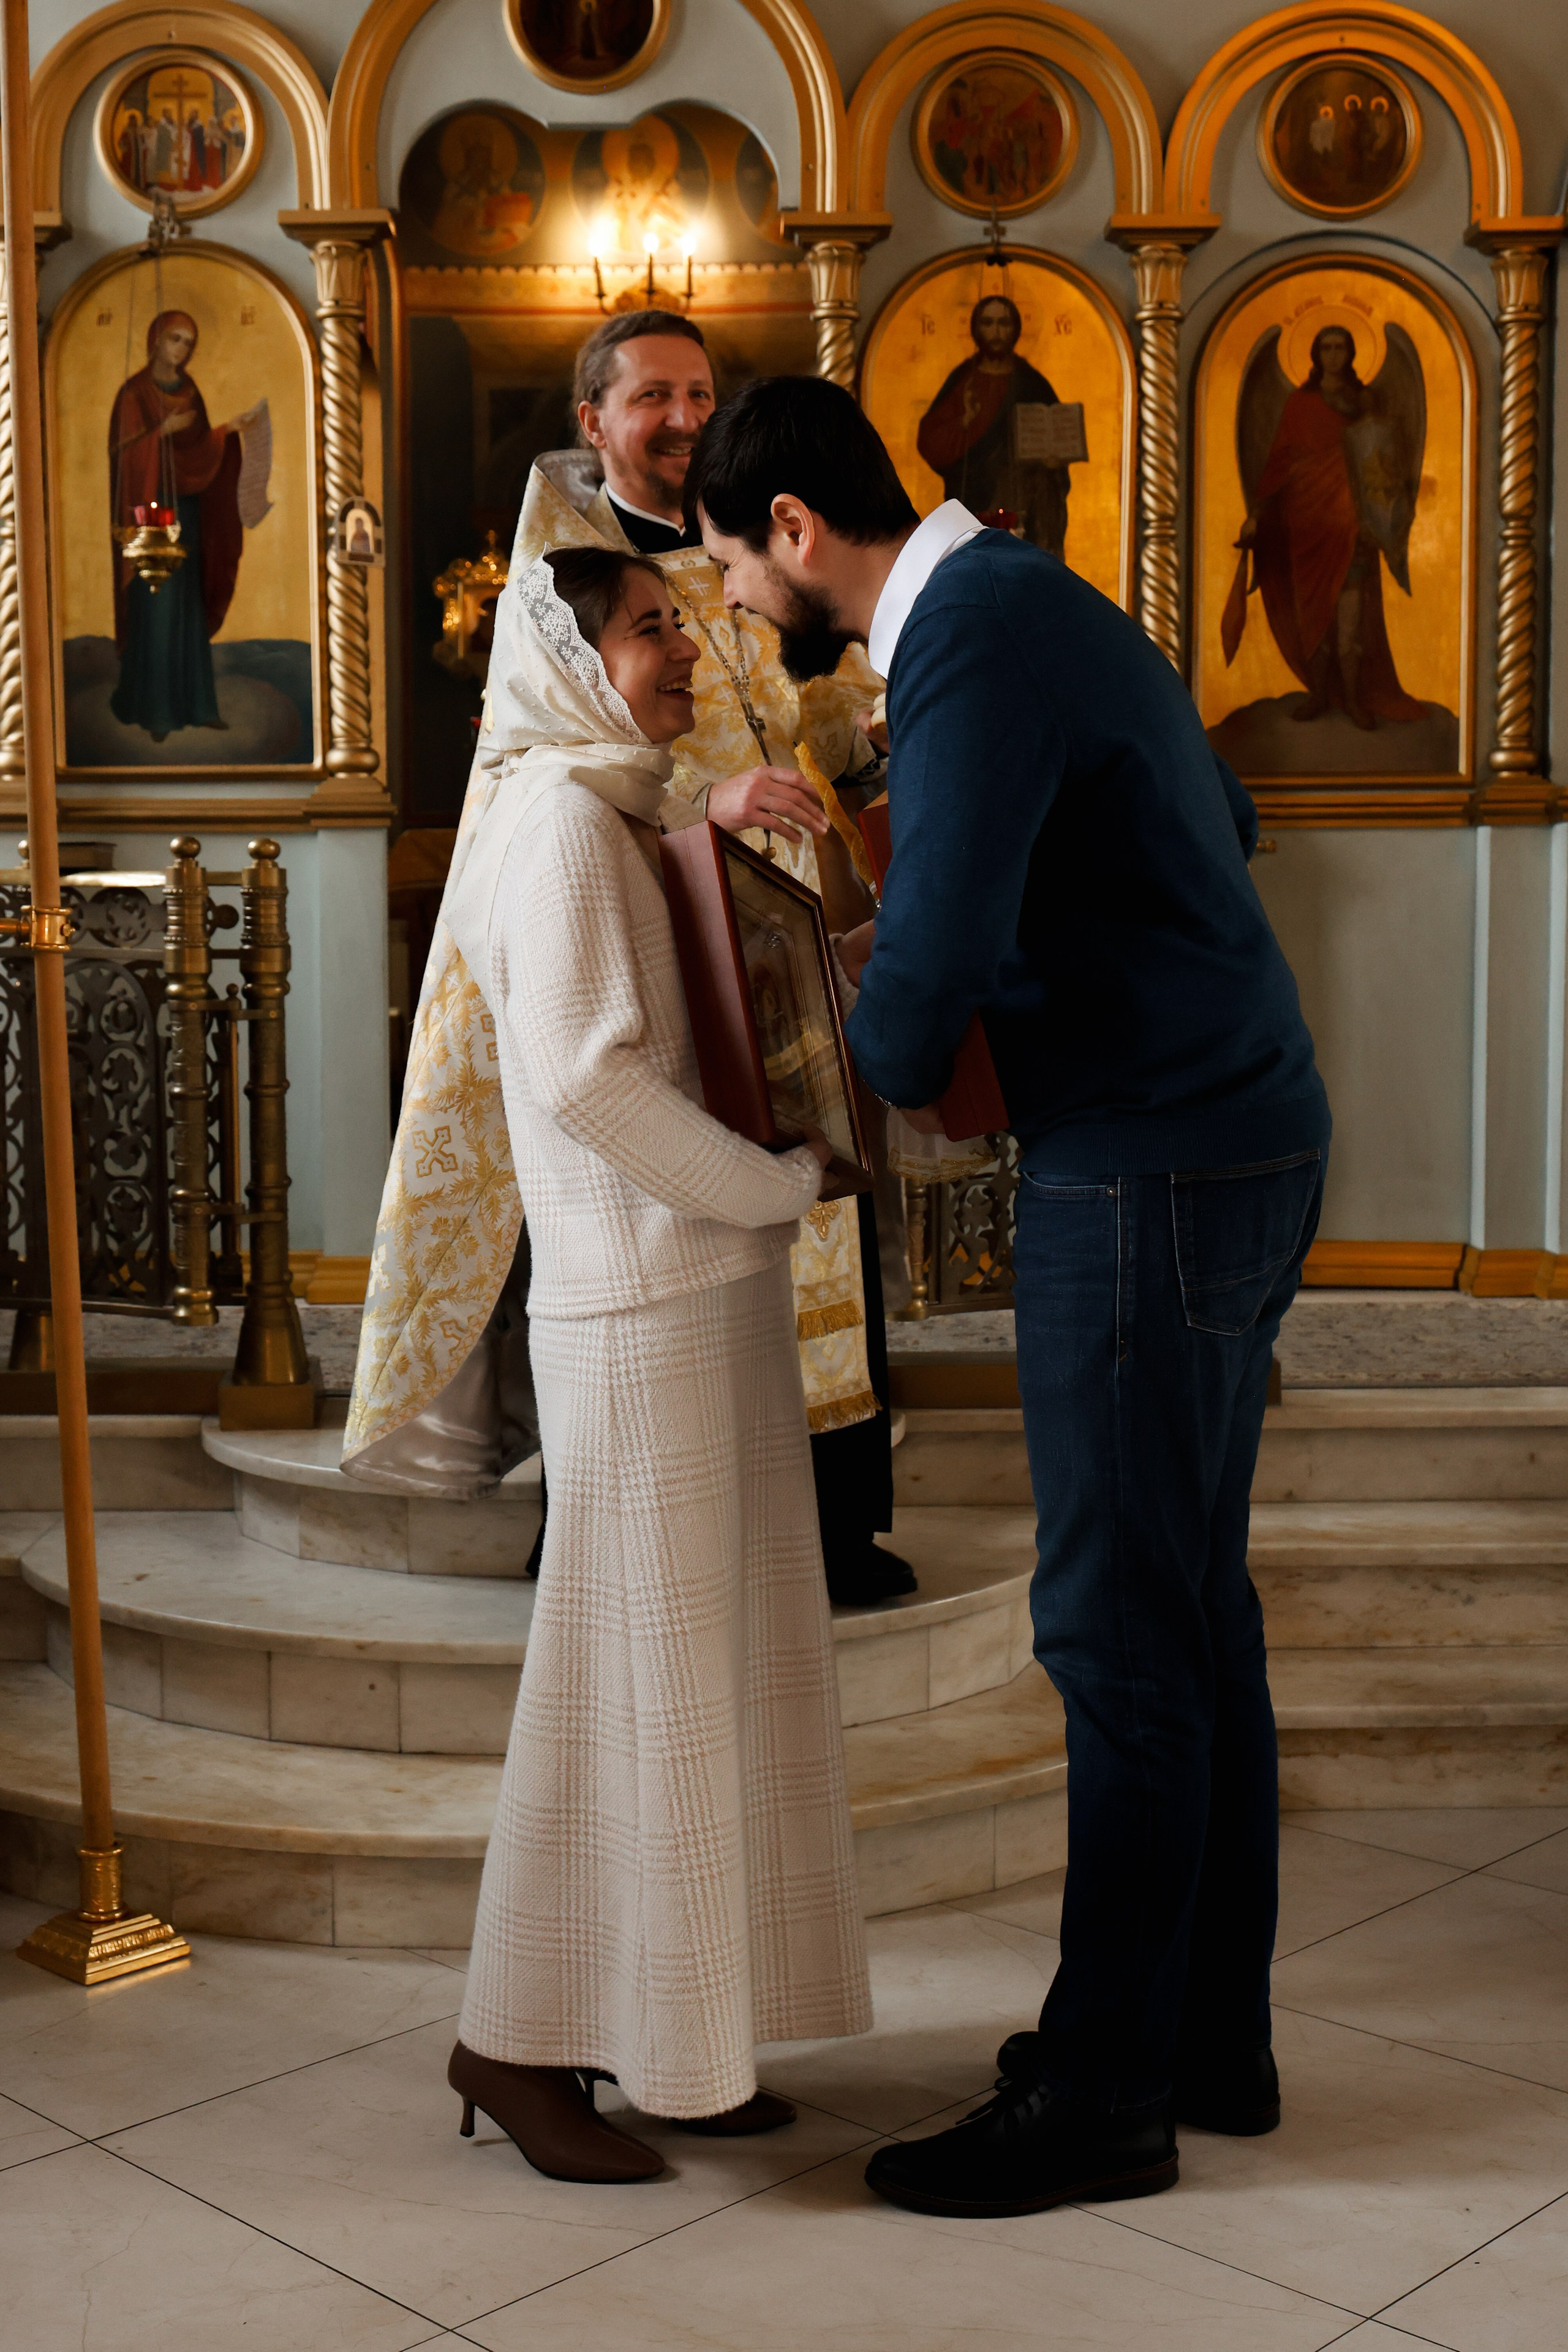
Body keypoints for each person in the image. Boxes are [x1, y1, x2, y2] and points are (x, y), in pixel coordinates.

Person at [688, 377, 1329, 2220]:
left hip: (1142, 1160)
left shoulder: (962, 632)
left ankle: (1107, 2093)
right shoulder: (1035, 592)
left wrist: (843, 1000)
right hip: (1237, 1131)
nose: (734, 601)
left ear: (797, 529)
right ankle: (1207, 2037)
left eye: (734, 563)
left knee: (1116, 1630)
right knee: (1190, 1608)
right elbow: (1218, 809)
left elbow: (918, 1004)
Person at [345, 309, 912, 1613]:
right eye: (652, 394)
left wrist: (861, 729)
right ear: (591, 418)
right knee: (644, 1214)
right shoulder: (558, 584)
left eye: (702, 391)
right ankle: (597, 1524)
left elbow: (803, 705)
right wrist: (686, 817)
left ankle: (828, 1529)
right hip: (637, 942)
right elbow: (528, 782)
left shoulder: (761, 537)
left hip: (783, 926)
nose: (683, 415)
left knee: (815, 1200)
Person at [439, 543, 869, 2180]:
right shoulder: (554, 823)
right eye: (647, 634)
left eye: (681, 629)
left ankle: (680, 2034)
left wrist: (709, 839)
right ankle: (519, 2035)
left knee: (700, 1690)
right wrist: (777, 1189)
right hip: (641, 1309)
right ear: (567, 656)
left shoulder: (604, 813)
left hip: (699, 1295)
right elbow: (593, 1086)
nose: (682, 657)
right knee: (620, 1688)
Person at [1238, 323, 1425, 731]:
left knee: (1350, 621)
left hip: (1351, 524)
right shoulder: (1298, 405)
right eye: (1327, 348)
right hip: (1305, 522)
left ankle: (1355, 700)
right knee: (1312, 617)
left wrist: (1384, 514)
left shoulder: (1364, 401)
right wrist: (1257, 512)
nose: (1335, 355)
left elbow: (1380, 459)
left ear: (1353, 353)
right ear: (1315, 354)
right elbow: (1278, 462)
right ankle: (1319, 695)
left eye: (1341, 347)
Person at [108, 310, 260, 741]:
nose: (180, 349)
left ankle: (197, 705)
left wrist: (229, 431)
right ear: (156, 340)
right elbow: (123, 458)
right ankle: (155, 710)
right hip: (149, 518)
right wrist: (160, 433)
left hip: (187, 514)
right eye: (175, 339)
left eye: (187, 343)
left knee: (188, 607)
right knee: (157, 609)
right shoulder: (133, 393)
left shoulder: (189, 390)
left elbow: (198, 454)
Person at [916, 294, 1070, 556]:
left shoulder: (1033, 383)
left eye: (1004, 323)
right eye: (988, 323)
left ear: (1017, 329)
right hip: (975, 502)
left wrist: (1054, 463)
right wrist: (965, 420)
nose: (996, 332)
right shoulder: (964, 381)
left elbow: (1057, 441)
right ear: (976, 329)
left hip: (1028, 508)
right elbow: (931, 442)